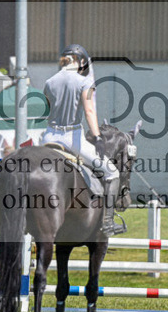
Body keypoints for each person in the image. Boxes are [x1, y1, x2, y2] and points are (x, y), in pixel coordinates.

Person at [41, 44, 123, 236]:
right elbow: (89, 111)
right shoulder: (84, 82)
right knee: (112, 173)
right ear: (81, 61)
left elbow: (49, 109)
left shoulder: (49, 82)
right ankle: (108, 223)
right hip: (72, 138)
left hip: (48, 135)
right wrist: (97, 137)